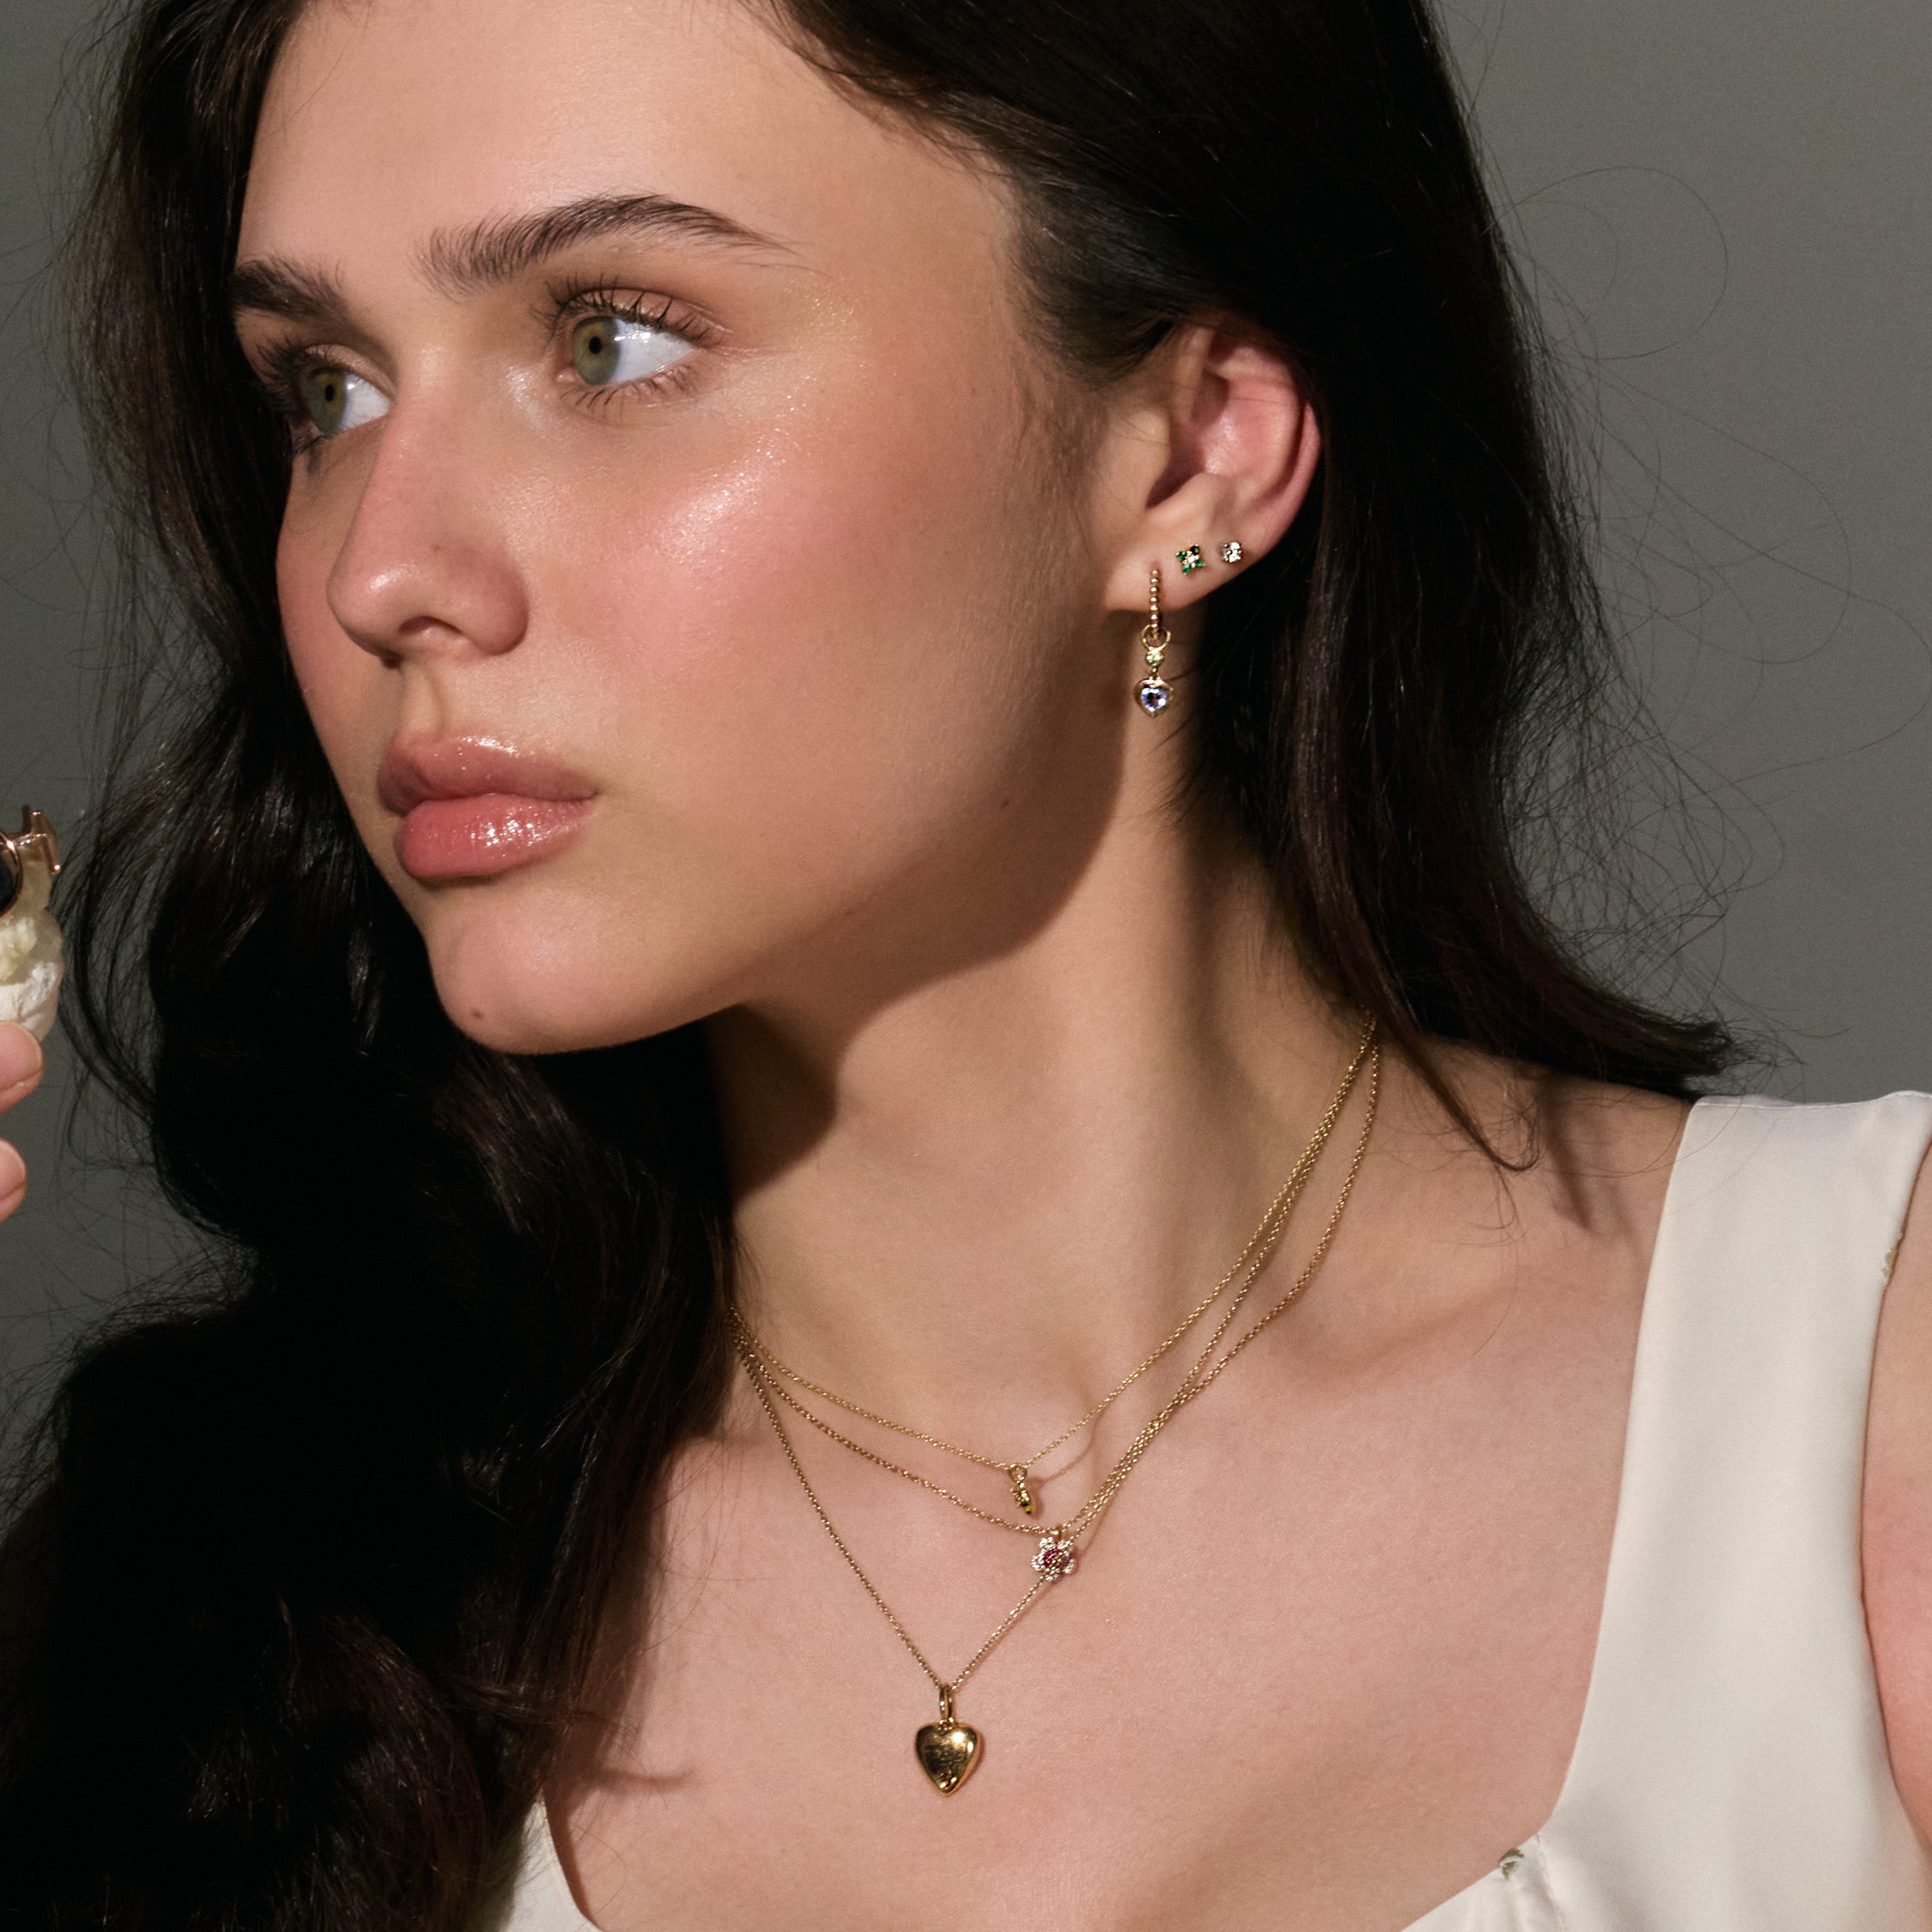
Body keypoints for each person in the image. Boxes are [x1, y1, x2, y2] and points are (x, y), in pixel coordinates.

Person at [3, 0, 1931, 1926]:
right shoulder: (236, 1606)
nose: (378, 571)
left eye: (610, 340)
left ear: (1192, 455)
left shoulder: (1861, 1402)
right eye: (324, 390)